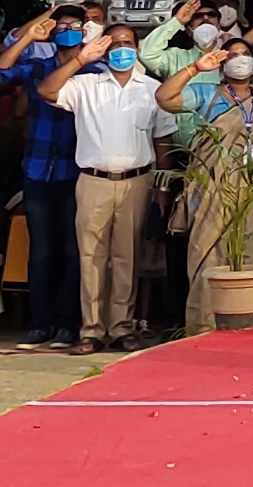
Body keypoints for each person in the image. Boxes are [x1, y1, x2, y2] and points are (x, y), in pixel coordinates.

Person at [47, 20, 171, 352]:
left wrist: (161, 190)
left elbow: (163, 140)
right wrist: (80, 59)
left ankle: (121, 327)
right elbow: (46, 91)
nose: (122, 50)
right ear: (103, 47)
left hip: (137, 181)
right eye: (114, 44)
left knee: (127, 257)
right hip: (93, 180)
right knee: (91, 257)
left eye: (128, 43)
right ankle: (91, 329)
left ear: (138, 48)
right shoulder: (85, 84)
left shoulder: (152, 88)